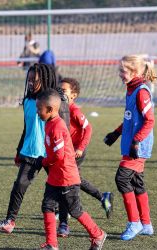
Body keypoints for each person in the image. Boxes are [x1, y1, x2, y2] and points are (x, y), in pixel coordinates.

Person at [0, 63, 70, 233]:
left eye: (35, 80)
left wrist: (65, 153)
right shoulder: (27, 101)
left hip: (52, 153)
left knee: (63, 187)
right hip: (32, 152)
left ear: (45, 79)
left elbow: (65, 130)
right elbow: (27, 128)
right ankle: (10, 221)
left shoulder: (57, 101)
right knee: (19, 185)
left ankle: (64, 223)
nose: (32, 83)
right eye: (30, 80)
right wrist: (19, 151)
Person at [35, 89, 106, 250]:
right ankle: (51, 244)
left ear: (50, 109)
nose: (37, 113)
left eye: (39, 110)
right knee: (47, 206)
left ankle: (98, 234)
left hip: (67, 176)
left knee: (75, 210)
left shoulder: (58, 126)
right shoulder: (49, 123)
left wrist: (43, 161)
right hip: (55, 176)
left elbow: (59, 155)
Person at [103, 54, 156, 241]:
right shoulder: (130, 89)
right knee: (136, 183)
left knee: (122, 179)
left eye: (123, 71)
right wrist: (116, 133)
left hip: (137, 147)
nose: (120, 74)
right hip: (132, 144)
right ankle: (146, 224)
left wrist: (136, 141)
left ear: (134, 71)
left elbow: (150, 121)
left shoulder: (141, 91)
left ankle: (134, 223)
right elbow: (129, 117)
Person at [56, 78, 113, 237]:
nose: (60, 93)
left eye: (64, 91)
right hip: (65, 152)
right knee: (74, 181)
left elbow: (88, 129)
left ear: (73, 95)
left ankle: (63, 222)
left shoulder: (74, 110)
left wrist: (80, 148)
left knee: (65, 184)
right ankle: (103, 197)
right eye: (58, 90)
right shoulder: (60, 108)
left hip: (75, 153)